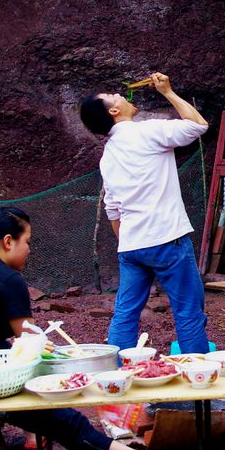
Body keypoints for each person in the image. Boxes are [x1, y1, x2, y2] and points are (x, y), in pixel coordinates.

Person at [0, 207, 198, 450]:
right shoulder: (7, 278)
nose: (30, 250)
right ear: (8, 242)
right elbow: (31, 344)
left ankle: (34, 433)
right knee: (66, 420)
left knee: (34, 381)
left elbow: (18, 342)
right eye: (27, 242)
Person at [79, 72, 210, 354]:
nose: (121, 95)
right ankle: (199, 383)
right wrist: (168, 92)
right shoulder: (147, 131)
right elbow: (198, 125)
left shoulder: (107, 157)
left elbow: (113, 210)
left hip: (131, 246)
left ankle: (116, 378)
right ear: (114, 111)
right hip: (167, 239)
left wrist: (128, 243)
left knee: (125, 315)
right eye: (114, 96)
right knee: (188, 313)